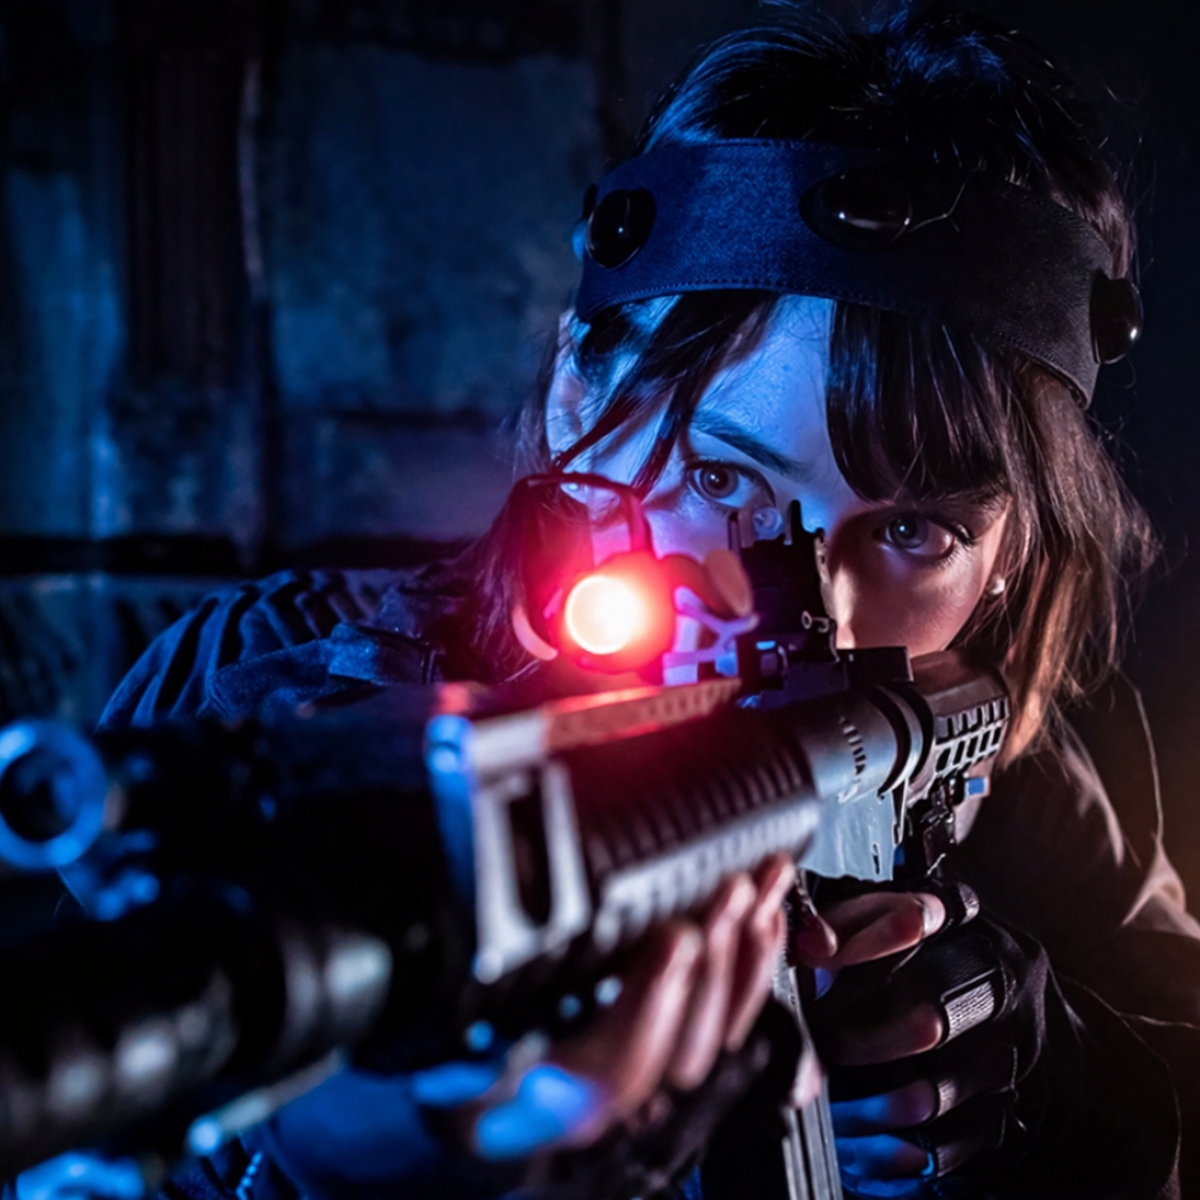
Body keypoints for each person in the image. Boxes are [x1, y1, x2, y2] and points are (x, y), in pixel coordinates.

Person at [92, 6, 1200, 1199]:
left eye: (915, 533)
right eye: (721, 479)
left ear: (1011, 555)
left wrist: (1058, 1079)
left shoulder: (1013, 748)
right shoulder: (277, 686)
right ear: (578, 393)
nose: (812, 604)